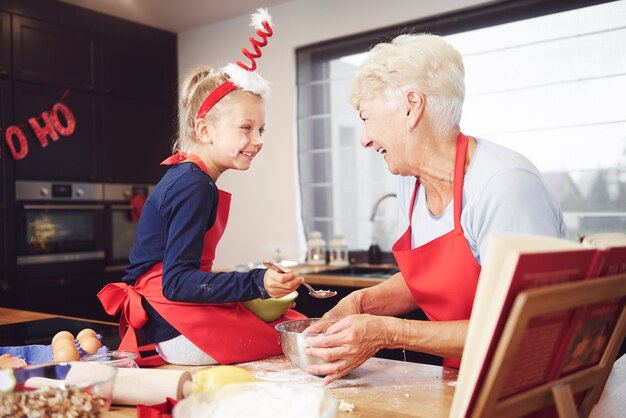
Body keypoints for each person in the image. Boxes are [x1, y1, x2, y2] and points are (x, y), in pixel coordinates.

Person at [304, 33, 567, 384]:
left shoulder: (503, 185)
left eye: (367, 118)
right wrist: (362, 304)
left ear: (412, 106)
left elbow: (525, 329)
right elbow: (431, 282)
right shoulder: (410, 182)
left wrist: (391, 333)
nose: (364, 138)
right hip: (464, 375)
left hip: (532, 384)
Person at [97, 9, 304, 366]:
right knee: (300, 337)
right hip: (176, 326)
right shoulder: (195, 185)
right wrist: (257, 282)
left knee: (294, 327)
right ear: (205, 130)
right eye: (246, 128)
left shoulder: (188, 177)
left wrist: (256, 284)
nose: (257, 140)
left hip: (169, 318)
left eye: (261, 130)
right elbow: (176, 283)